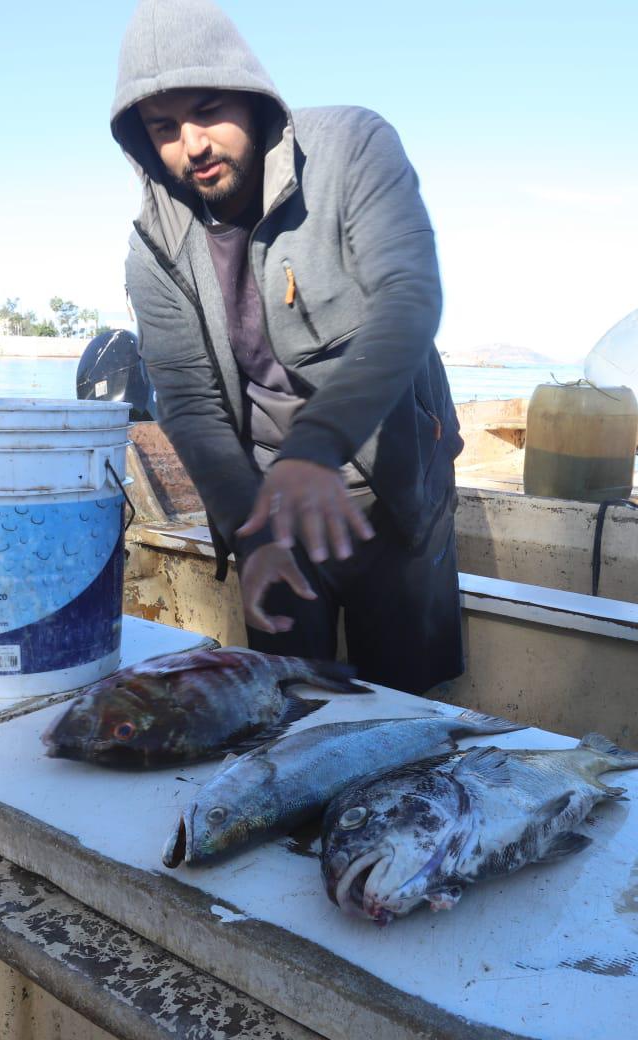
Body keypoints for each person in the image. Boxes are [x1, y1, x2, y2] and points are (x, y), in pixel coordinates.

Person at [111, 0, 465, 694]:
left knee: (405, 705)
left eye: (208, 110)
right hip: (270, 503)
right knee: (286, 700)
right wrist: (253, 534)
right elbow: (189, 401)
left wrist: (316, 446)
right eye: (164, 128)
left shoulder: (354, 146)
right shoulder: (153, 247)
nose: (192, 144)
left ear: (250, 95)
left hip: (394, 479)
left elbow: (410, 299)